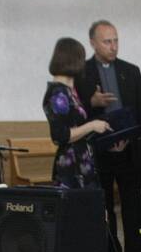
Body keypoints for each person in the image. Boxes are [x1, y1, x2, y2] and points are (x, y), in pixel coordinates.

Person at [74, 20, 141, 252]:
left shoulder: (131, 71)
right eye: (107, 41)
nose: (113, 46)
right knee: (104, 212)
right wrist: (91, 101)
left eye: (116, 40)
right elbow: (74, 116)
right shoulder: (81, 74)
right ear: (93, 43)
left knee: (134, 212)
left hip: (129, 153)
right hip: (98, 156)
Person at [43, 37, 109, 190]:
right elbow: (61, 136)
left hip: (81, 160)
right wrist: (92, 125)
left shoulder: (68, 90)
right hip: (71, 165)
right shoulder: (58, 93)